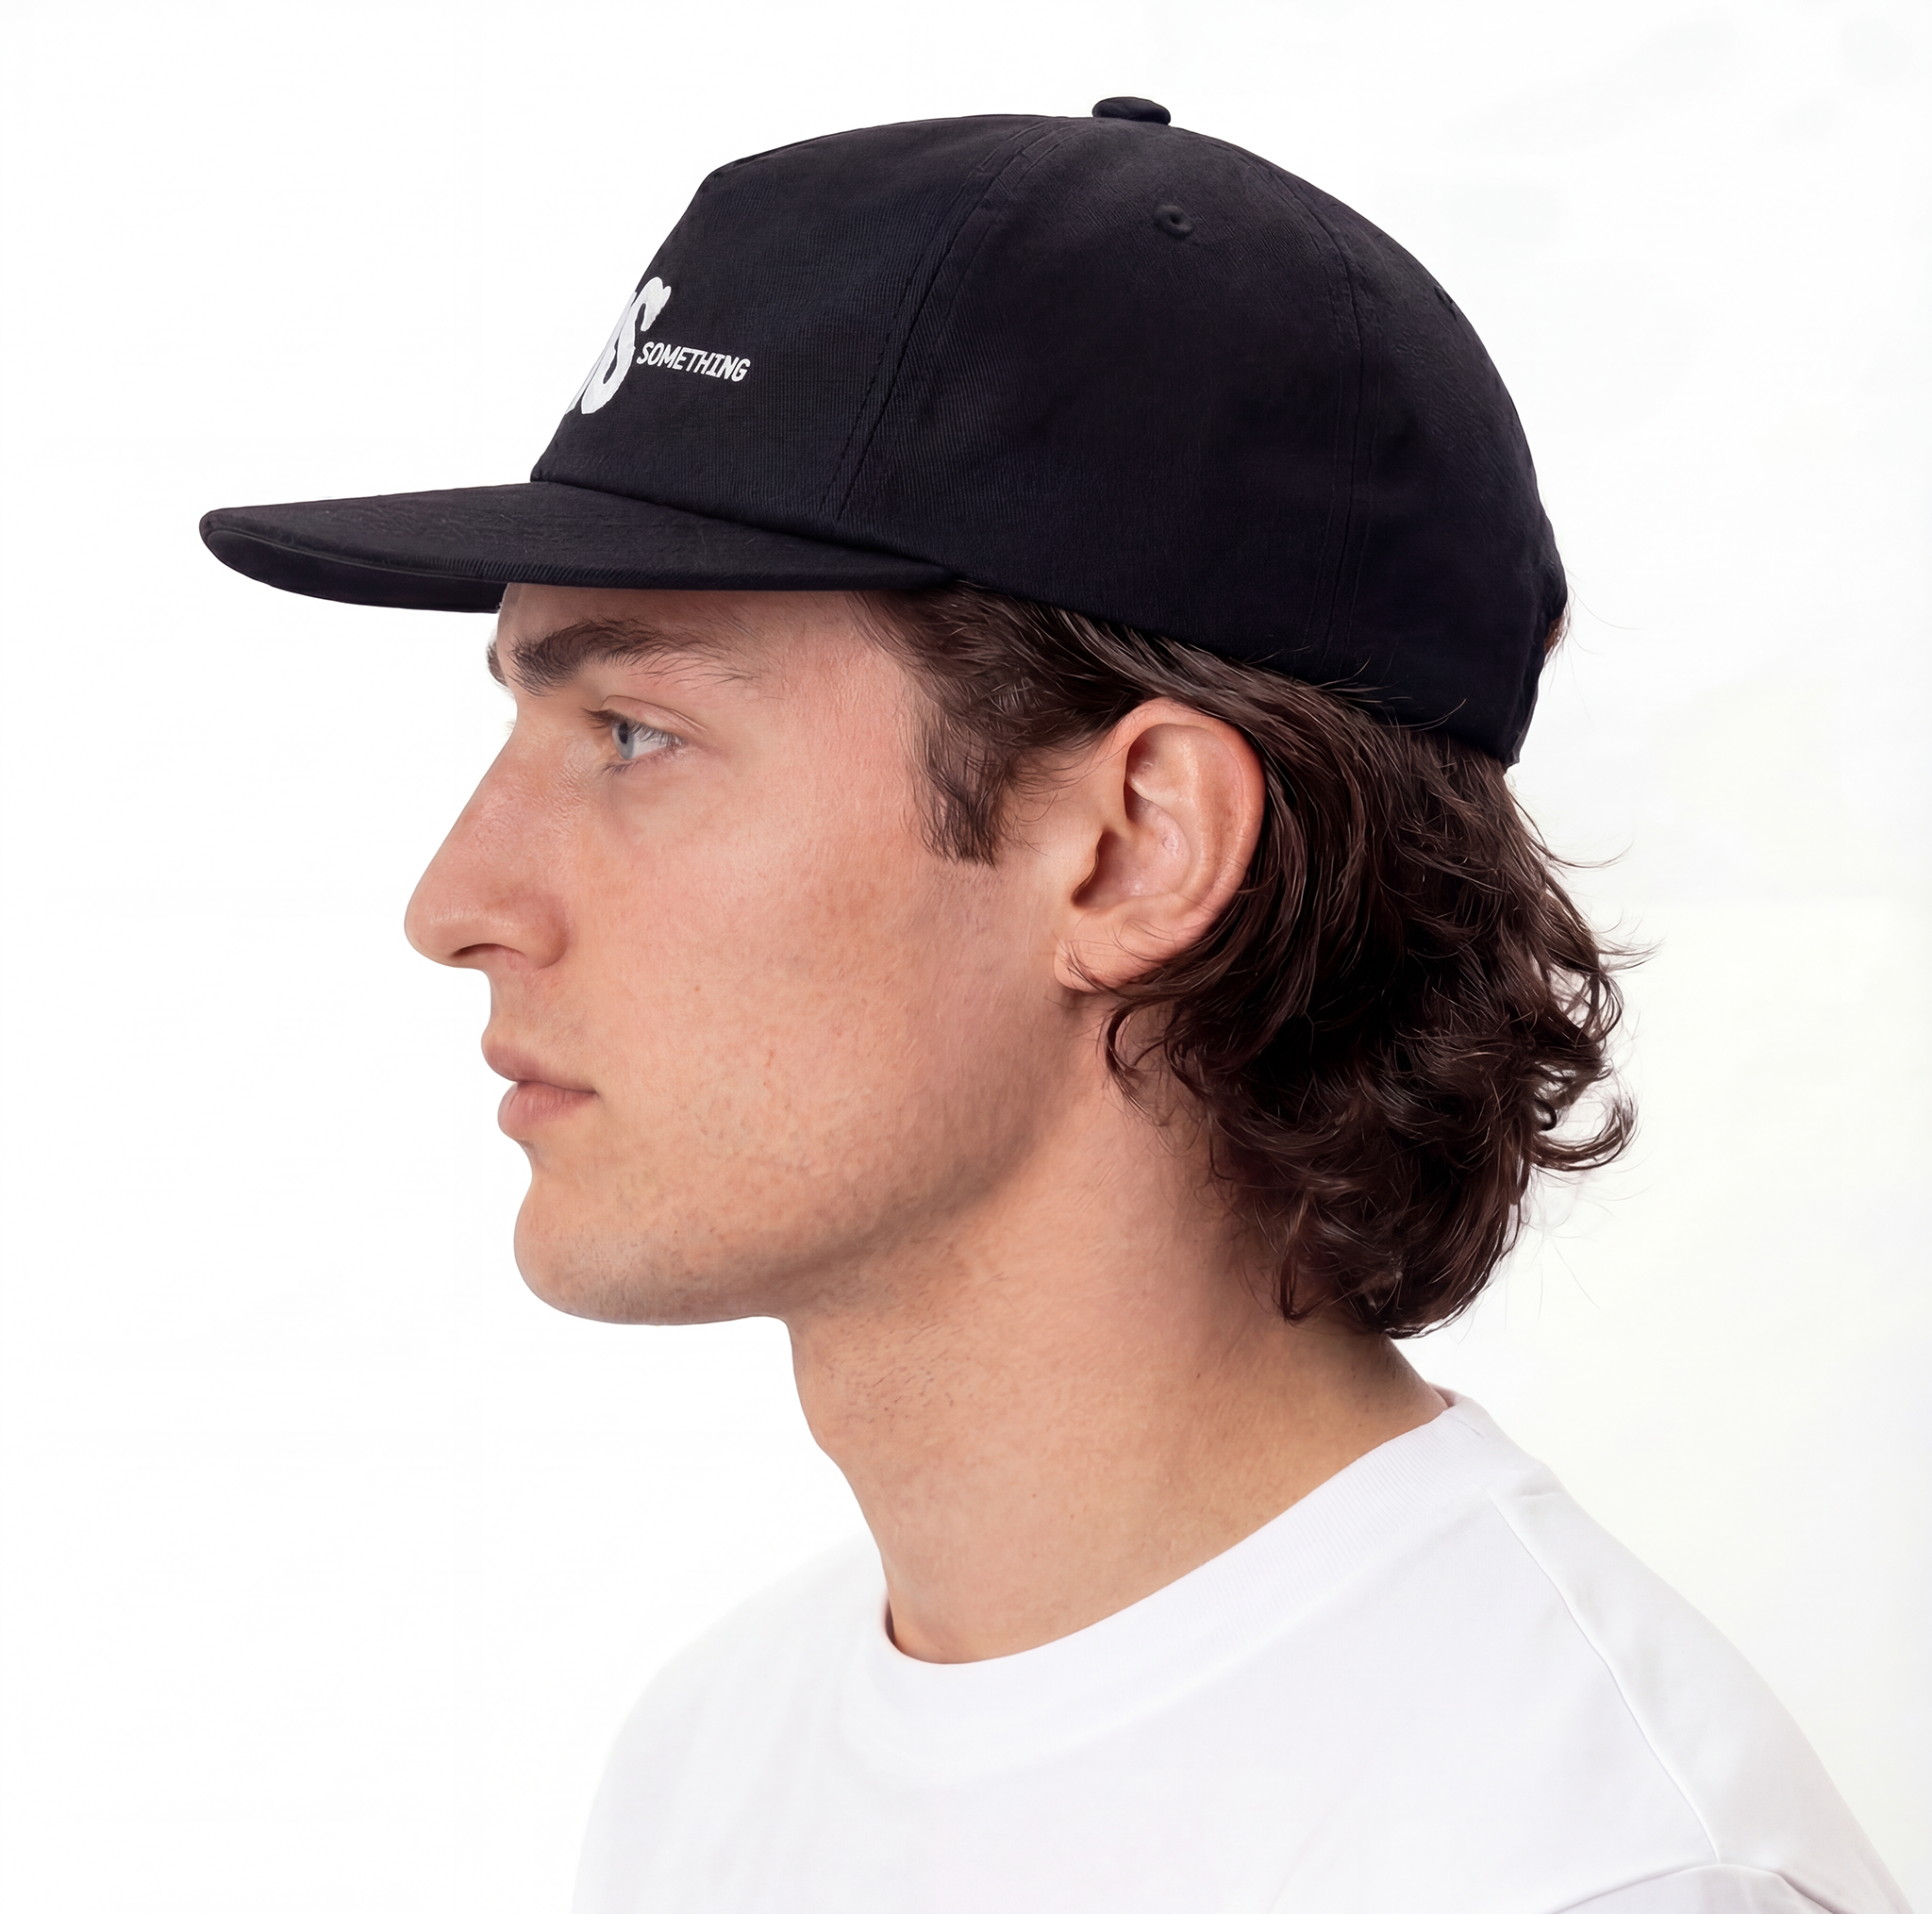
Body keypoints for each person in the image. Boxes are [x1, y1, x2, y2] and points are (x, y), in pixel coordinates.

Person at [200, 101, 1908, 1914]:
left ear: (1135, 848)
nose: (453, 907)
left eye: (634, 733)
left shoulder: (1597, 1876)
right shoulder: (716, 1761)